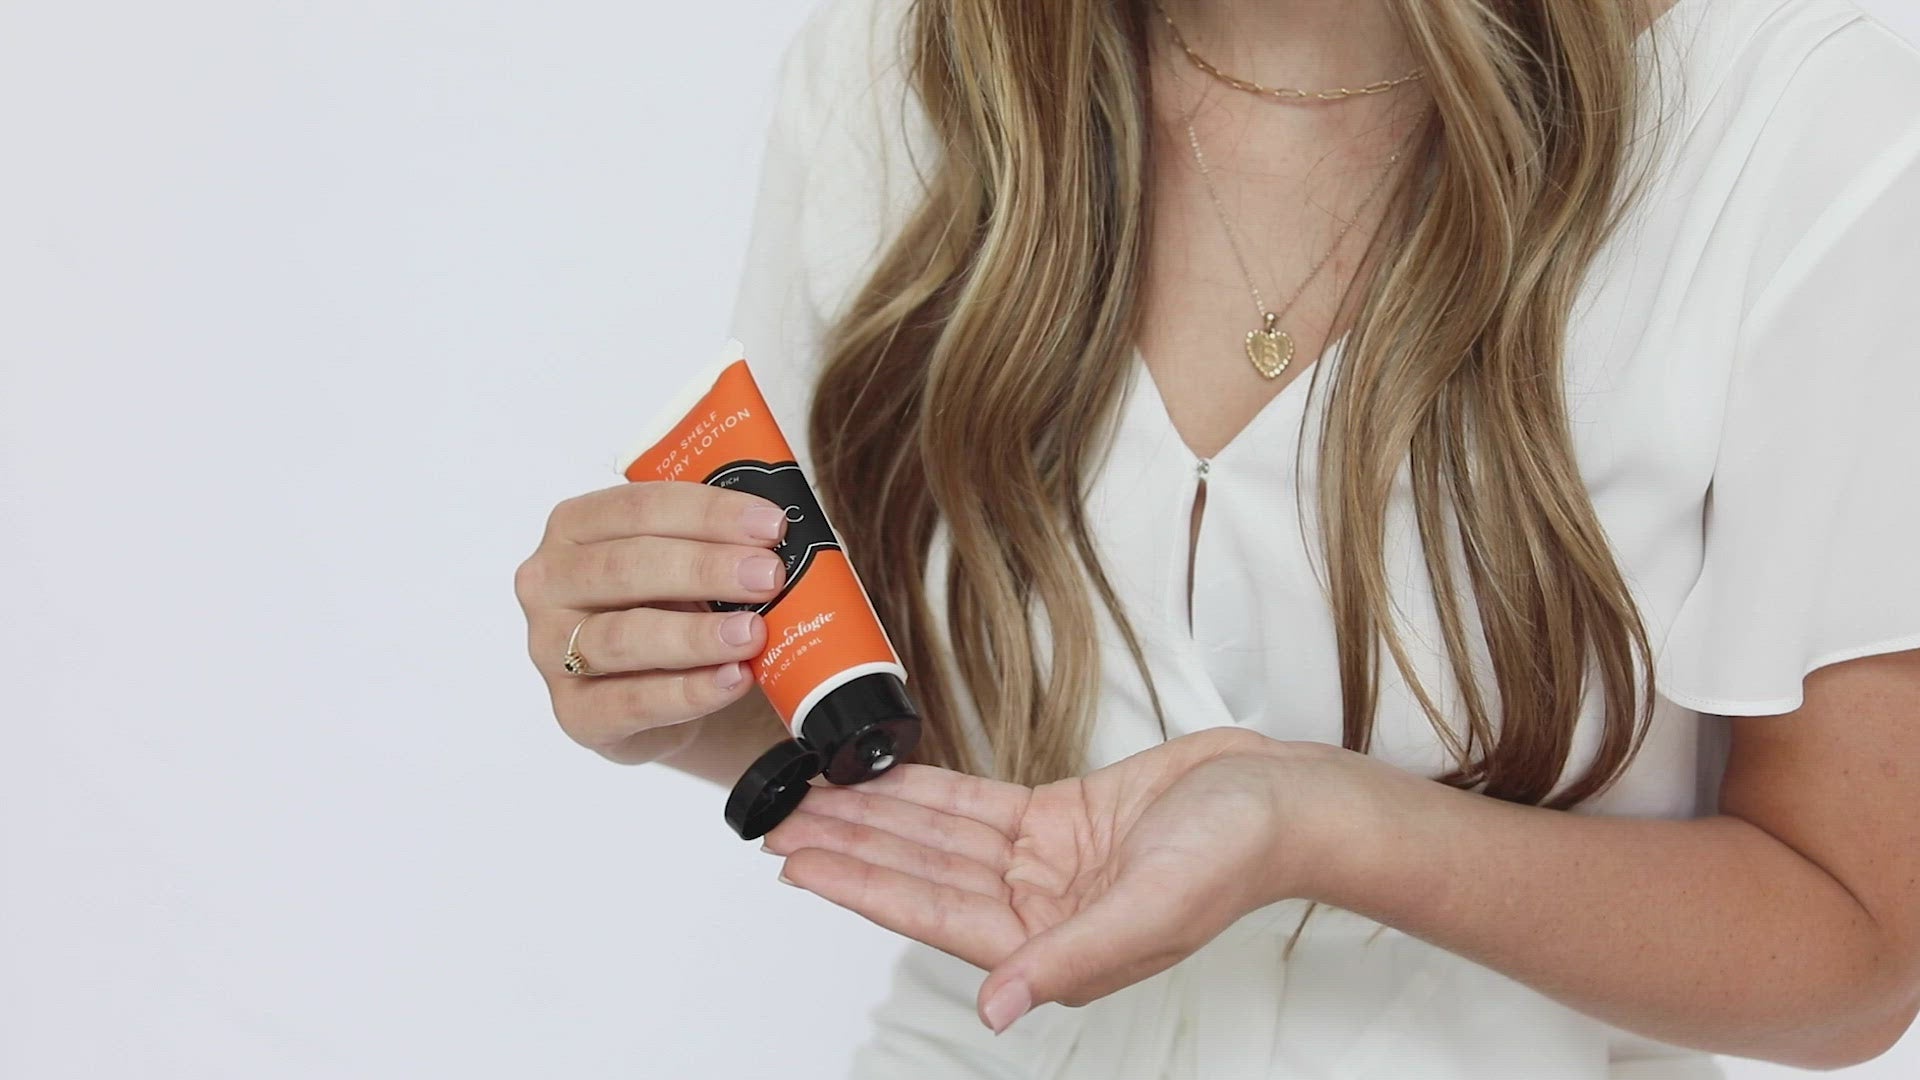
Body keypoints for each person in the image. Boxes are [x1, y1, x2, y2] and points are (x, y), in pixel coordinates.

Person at [512, 0, 1920, 1074]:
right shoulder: (920, 60)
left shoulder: (1803, 121)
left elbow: (1851, 944)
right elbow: (870, 715)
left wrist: (1330, 828)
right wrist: (659, 685)